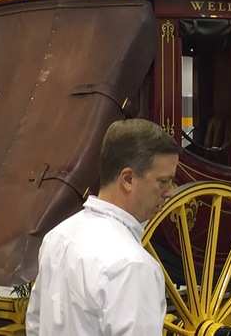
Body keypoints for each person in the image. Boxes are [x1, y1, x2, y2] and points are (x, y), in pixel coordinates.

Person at [25, 118, 179, 336]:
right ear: (127, 179)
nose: (170, 192)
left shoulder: (57, 238)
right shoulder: (133, 266)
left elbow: (35, 324)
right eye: (163, 182)